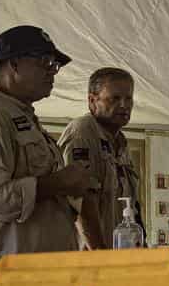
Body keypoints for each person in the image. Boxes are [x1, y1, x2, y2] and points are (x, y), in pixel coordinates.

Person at [0, 25, 97, 258]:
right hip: (7, 277)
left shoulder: (22, 117)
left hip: (37, 272)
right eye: (45, 62)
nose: (53, 72)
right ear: (13, 64)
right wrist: (57, 182)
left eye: (54, 65)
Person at [57, 67, 143, 249]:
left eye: (128, 99)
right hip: (92, 258)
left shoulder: (121, 143)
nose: (124, 105)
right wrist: (99, 253)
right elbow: (81, 202)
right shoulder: (83, 132)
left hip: (118, 253)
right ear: (92, 101)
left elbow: (132, 206)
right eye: (115, 98)